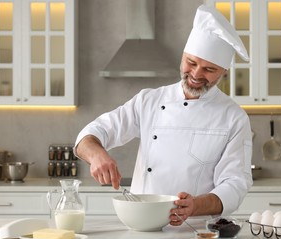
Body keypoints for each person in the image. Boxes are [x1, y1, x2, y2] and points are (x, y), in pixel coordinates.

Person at [74, 5, 253, 226]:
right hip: (142, 226)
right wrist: (97, 155)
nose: (196, 74)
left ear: (224, 72)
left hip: (196, 233)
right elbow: (91, 134)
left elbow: (235, 184)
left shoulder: (234, 118)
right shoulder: (149, 101)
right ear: (183, 56)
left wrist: (195, 205)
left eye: (209, 69)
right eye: (192, 62)